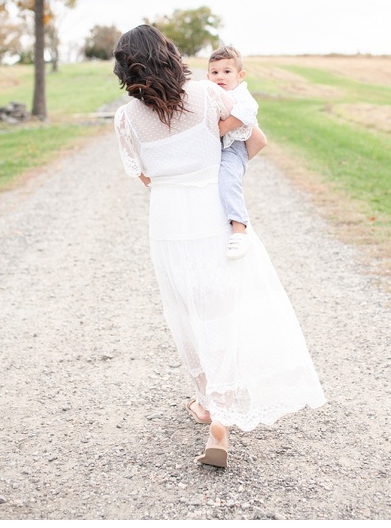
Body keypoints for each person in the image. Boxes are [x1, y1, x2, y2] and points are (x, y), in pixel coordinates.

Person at [113, 24, 326, 469]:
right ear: (169, 55)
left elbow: (146, 177)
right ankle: (218, 424)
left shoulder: (125, 118)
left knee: (187, 314)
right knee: (221, 313)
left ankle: (211, 406)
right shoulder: (207, 95)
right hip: (212, 217)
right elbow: (253, 137)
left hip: (168, 225)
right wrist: (224, 174)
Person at [207, 45, 261, 261]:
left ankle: (239, 230)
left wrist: (224, 126)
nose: (220, 76)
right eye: (215, 72)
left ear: (240, 75)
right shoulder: (211, 92)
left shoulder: (239, 93)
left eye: (227, 72)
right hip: (217, 147)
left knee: (228, 179)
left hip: (234, 145)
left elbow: (250, 110)